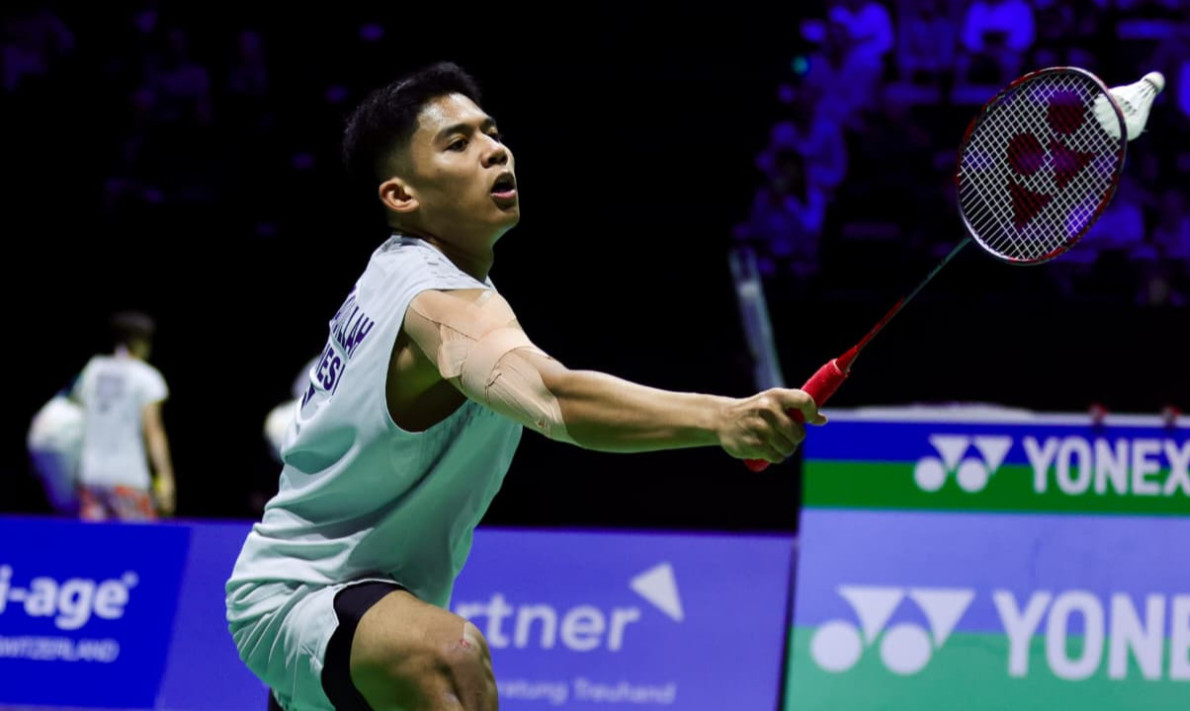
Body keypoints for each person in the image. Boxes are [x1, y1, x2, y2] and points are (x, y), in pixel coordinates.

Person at [224, 60, 825, 711]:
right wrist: (723, 419)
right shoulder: (434, 302)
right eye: (457, 143)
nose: (494, 150)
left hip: (365, 604)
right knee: (450, 657)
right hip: (304, 594)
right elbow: (555, 399)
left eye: (491, 132)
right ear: (401, 196)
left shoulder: (406, 279)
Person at [70, 310, 176, 521]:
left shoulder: (93, 370)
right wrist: (166, 478)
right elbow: (153, 432)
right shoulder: (147, 377)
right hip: (129, 479)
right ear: (139, 342)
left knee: (94, 541)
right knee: (137, 541)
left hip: (91, 478)